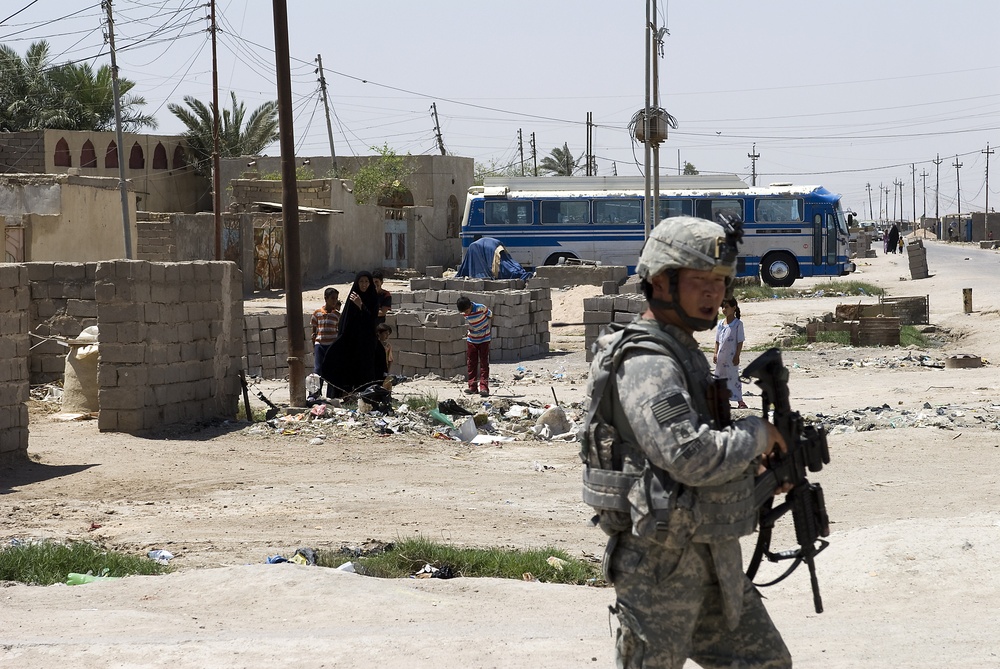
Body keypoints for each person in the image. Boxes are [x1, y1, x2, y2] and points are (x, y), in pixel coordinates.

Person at [580, 215, 791, 668]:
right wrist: (756, 434)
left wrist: (754, 472)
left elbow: (700, 448)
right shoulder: (646, 360)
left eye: (720, 281)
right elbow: (687, 455)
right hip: (661, 565)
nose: (714, 293)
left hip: (712, 553)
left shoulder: (684, 350)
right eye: (700, 280)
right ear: (660, 280)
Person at [320, 271, 384, 397]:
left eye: (366, 282)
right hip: (352, 342)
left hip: (366, 343)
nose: (364, 284)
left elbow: (372, 320)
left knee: (367, 369)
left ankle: (367, 396)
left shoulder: (372, 299)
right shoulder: (352, 298)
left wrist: (361, 306)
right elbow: (345, 321)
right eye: (361, 281)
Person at [714, 296, 747, 409]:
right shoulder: (720, 324)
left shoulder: (738, 324)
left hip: (731, 357)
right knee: (720, 378)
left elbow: (740, 341)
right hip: (721, 358)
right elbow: (717, 341)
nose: (724, 309)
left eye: (726, 307)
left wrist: (737, 355)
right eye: (722, 307)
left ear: (734, 308)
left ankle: (739, 400)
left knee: (733, 377)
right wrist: (715, 353)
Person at [456, 295, 493, 397]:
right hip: (472, 339)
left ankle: (484, 387)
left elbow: (490, 315)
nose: (466, 314)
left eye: (466, 311)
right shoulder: (464, 313)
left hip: (484, 338)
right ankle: (472, 387)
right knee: (471, 363)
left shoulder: (481, 308)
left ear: (470, 306)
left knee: (484, 363)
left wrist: (484, 327)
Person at [309, 287, 341, 398]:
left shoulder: (337, 315)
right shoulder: (317, 313)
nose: (334, 301)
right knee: (318, 370)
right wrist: (314, 342)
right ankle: (315, 394)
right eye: (332, 298)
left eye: (336, 298)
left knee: (331, 371)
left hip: (331, 347)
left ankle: (331, 396)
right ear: (326, 298)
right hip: (320, 345)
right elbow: (314, 329)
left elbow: (338, 331)